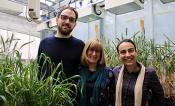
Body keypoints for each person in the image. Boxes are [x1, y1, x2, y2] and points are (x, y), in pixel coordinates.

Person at [37, 6, 85, 80]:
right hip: (47, 91)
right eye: (64, 17)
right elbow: (39, 71)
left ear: (75, 25)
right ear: (57, 20)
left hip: (72, 91)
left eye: (71, 20)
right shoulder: (44, 43)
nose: (67, 21)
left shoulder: (80, 45)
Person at [113, 39, 165, 106]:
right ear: (119, 56)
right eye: (123, 52)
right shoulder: (116, 72)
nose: (128, 55)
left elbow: (159, 98)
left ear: (136, 52)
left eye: (131, 50)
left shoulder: (149, 73)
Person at [79, 38, 115, 106]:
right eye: (91, 50)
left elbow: (112, 98)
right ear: (86, 51)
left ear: (101, 54)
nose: (94, 54)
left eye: (97, 51)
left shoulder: (108, 73)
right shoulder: (77, 71)